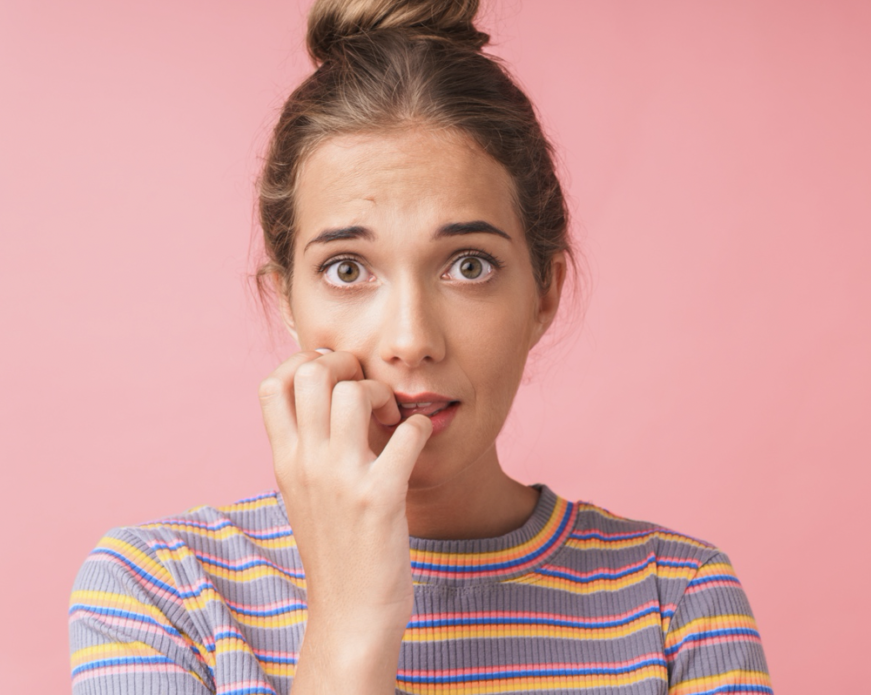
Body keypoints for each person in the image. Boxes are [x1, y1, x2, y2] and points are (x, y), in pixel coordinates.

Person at [68, 1, 772, 693]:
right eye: (348, 269)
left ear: (544, 293)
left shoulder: (676, 601)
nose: (411, 340)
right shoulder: (160, 591)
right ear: (286, 298)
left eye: (469, 264)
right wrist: (347, 623)